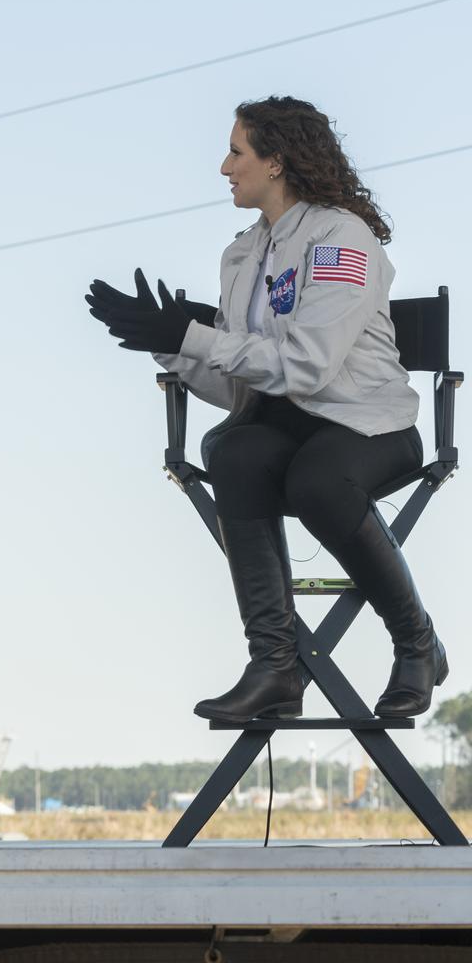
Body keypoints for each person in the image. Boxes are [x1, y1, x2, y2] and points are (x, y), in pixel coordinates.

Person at [85, 95, 443, 722]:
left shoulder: (340, 237)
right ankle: (274, 667)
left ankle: (417, 644)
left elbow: (307, 364)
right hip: (291, 424)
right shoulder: (242, 255)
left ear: (277, 161)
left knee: (317, 483)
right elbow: (241, 390)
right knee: (234, 449)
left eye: (236, 151)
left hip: (369, 424)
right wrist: (172, 349)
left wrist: (192, 335)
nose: (225, 167)